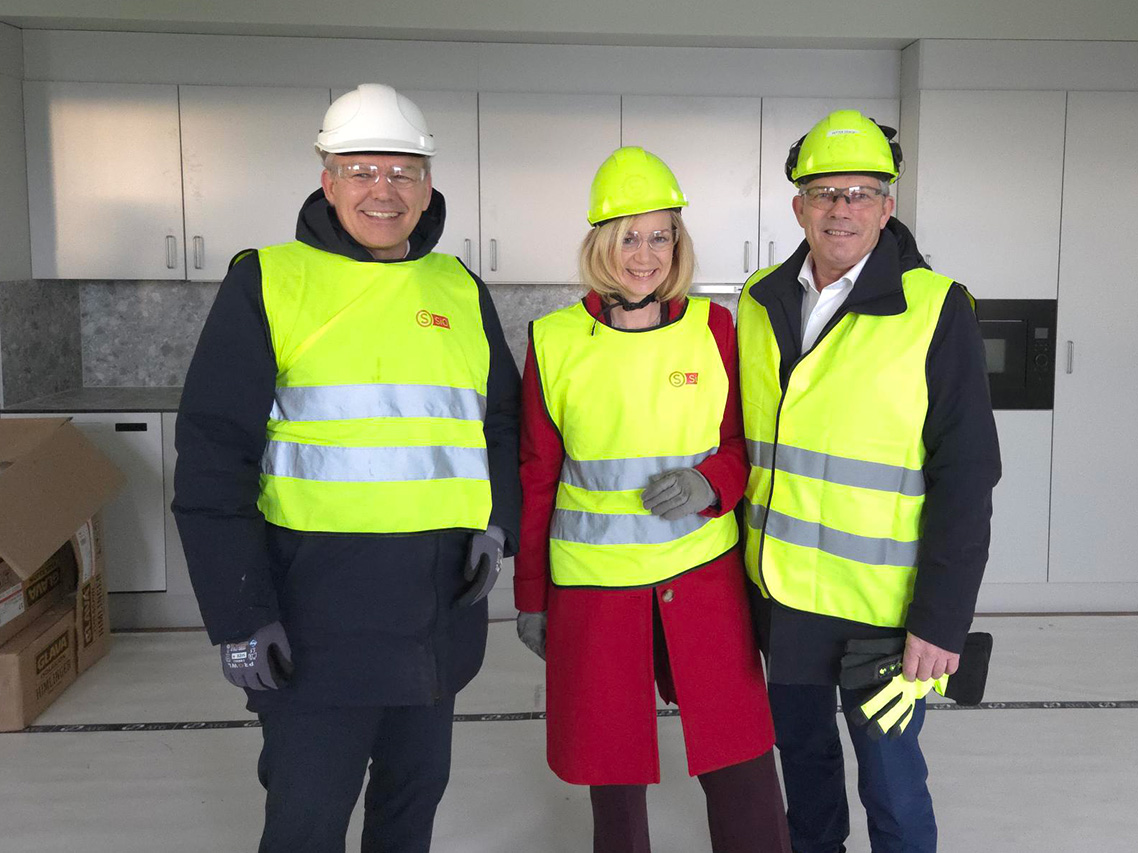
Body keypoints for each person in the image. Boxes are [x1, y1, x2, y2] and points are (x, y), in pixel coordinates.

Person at [172, 83, 521, 852]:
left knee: (410, 808)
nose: (383, 190)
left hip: (434, 616)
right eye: (362, 169)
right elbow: (211, 462)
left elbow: (499, 422)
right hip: (313, 622)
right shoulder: (266, 280)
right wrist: (238, 617)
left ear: (429, 185)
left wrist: (500, 527)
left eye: (401, 171)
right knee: (306, 820)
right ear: (326, 179)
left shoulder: (460, 288)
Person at [736, 110, 1001, 853]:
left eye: (861, 193)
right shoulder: (758, 302)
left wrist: (941, 620)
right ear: (798, 207)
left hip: (883, 615)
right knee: (806, 768)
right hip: (781, 600)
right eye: (825, 193)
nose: (841, 209)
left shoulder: (936, 309)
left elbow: (967, 472)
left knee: (890, 778)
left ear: (888, 207)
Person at [513, 147, 789, 853]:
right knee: (616, 779)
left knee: (742, 765)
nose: (645, 254)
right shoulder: (553, 343)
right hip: (597, 592)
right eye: (628, 236)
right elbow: (538, 476)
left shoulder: (715, 330)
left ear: (678, 242)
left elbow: (743, 447)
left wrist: (710, 483)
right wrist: (532, 597)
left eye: (660, 235)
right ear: (601, 244)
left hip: (701, 582)